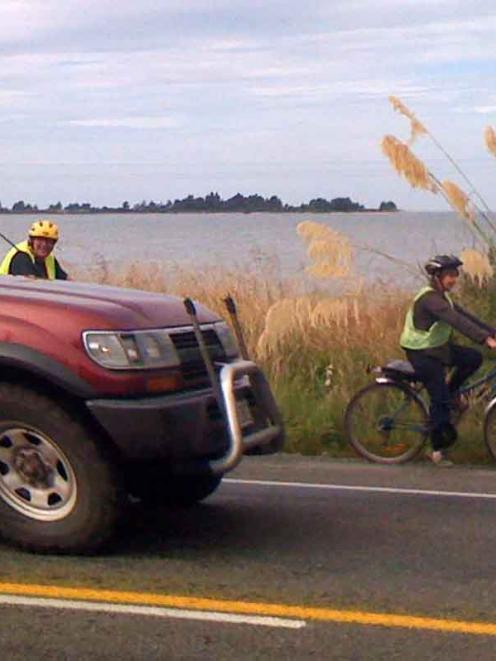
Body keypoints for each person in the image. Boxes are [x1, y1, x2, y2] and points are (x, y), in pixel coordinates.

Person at [400, 254, 496, 466]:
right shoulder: (431, 299)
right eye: (449, 275)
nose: (454, 279)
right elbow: (456, 320)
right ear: (437, 277)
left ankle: (450, 392)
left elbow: (467, 317)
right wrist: (485, 340)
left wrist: (492, 333)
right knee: (440, 400)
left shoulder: (444, 297)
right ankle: (436, 451)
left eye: (455, 275)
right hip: (421, 352)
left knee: (473, 358)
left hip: (437, 349)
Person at [0, 220, 69, 280]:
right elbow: (30, 284)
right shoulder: (21, 257)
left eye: (48, 241)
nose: (44, 245)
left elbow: (66, 279)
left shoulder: (50, 259)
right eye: (40, 240)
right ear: (31, 241)